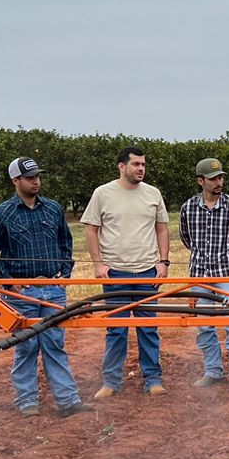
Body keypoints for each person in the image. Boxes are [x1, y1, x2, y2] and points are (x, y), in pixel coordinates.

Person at [0, 157, 90, 420]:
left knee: (55, 343)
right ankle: (26, 400)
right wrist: (9, 280)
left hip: (52, 287)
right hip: (22, 291)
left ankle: (68, 399)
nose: (36, 181)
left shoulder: (52, 209)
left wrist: (65, 272)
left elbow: (66, 241)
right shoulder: (2, 213)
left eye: (37, 176)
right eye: (29, 178)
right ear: (15, 180)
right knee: (25, 346)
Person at [82, 146, 170, 399]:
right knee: (116, 328)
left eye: (143, 164)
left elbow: (162, 228)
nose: (141, 169)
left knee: (148, 327)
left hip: (147, 273)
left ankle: (153, 380)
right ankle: (111, 382)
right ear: (122, 166)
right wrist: (98, 264)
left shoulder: (153, 194)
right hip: (115, 273)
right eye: (136, 164)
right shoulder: (103, 193)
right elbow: (91, 229)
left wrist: (163, 262)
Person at [178, 157, 229, 391]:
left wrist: (227, 254)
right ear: (201, 181)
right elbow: (186, 238)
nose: (219, 182)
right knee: (204, 324)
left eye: (220, 177)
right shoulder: (188, 208)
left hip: (226, 272)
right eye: (213, 179)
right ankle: (213, 371)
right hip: (200, 273)